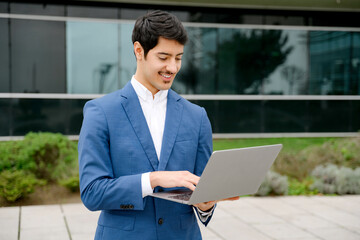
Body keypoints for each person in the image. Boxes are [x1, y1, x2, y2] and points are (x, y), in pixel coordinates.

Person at [78, 10, 238, 240]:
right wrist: (153, 180)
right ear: (139, 51)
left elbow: (202, 188)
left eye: (178, 57)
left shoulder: (197, 116)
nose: (172, 68)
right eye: (163, 57)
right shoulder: (100, 112)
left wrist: (206, 204)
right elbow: (93, 193)